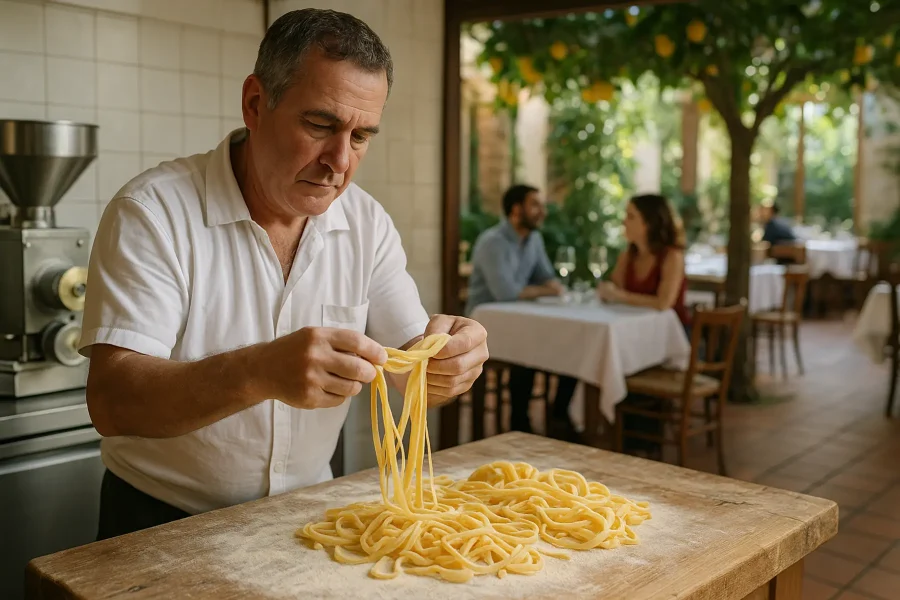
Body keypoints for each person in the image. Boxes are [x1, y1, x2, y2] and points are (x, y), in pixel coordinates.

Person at [79, 8, 488, 540]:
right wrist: (258, 372)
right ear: (255, 103)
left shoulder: (367, 223)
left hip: (308, 521)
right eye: (320, 125)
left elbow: (409, 370)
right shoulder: (153, 212)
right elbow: (112, 403)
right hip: (160, 523)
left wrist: (448, 364)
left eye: (362, 136)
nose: (339, 161)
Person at [465, 185, 579, 441]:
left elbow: (546, 276)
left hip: (522, 323)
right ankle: (520, 423)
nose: (543, 211)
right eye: (535, 205)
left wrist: (552, 286)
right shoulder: (492, 242)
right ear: (516, 210)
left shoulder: (534, 240)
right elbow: (505, 292)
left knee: (571, 344)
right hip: (485, 329)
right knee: (527, 350)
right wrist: (548, 291)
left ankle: (558, 417)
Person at [596, 194, 690, 329]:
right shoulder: (628, 255)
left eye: (631, 216)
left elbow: (663, 303)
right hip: (635, 328)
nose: (624, 222)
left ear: (649, 223)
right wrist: (606, 292)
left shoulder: (672, 256)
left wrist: (619, 296)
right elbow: (615, 290)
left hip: (670, 333)